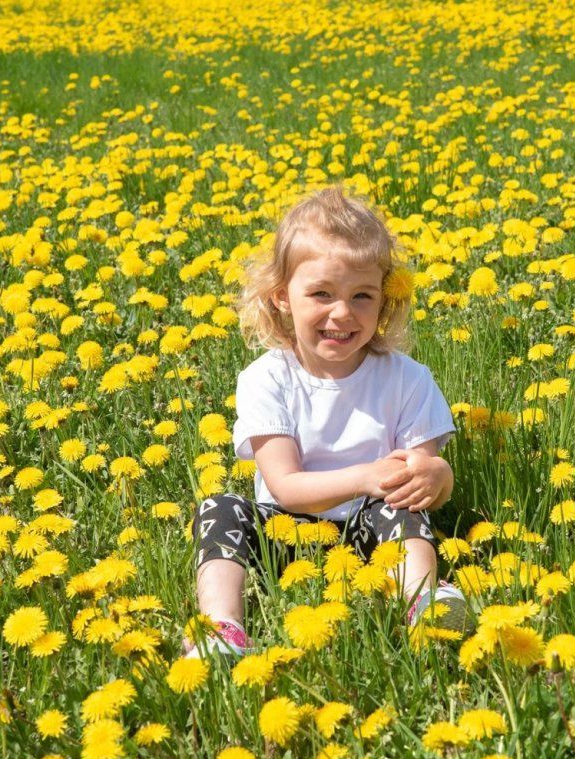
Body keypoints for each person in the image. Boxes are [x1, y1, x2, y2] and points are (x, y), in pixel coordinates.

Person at [186, 185, 471, 657]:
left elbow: (420, 482)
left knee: (402, 508)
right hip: (284, 535)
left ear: (385, 300)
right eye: (321, 293)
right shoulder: (265, 379)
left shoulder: (408, 379)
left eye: (362, 296)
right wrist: (365, 476)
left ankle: (422, 603)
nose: (342, 313)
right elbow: (285, 486)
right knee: (219, 508)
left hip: (373, 538)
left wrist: (439, 476)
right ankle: (222, 626)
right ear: (282, 296)